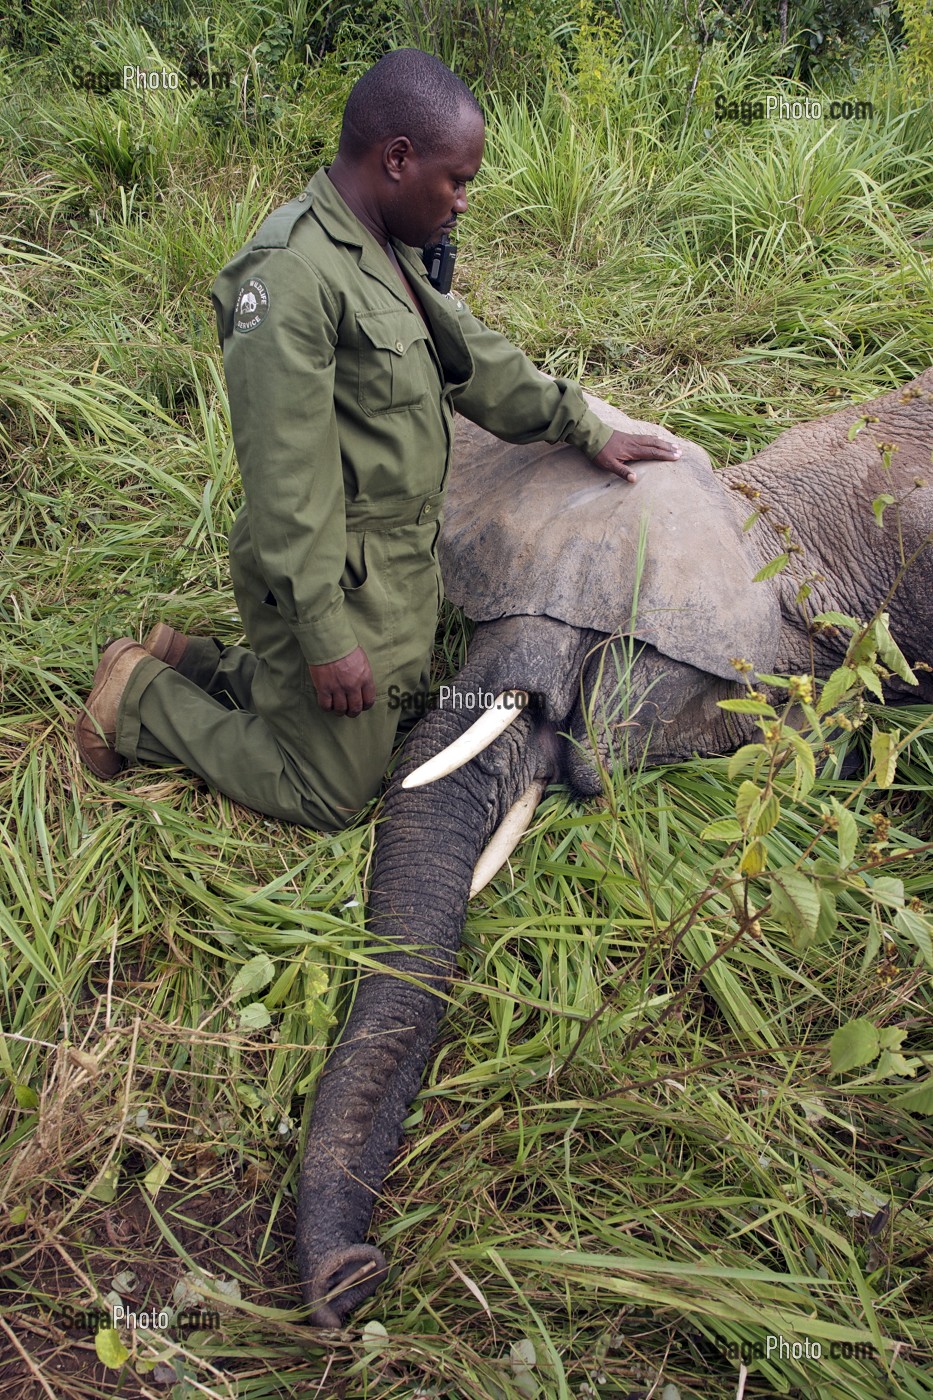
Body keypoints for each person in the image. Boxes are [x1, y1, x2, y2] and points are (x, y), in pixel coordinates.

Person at [75, 48, 680, 830]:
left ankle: (195, 663)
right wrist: (326, 638)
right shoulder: (290, 274)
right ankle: (143, 700)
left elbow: (476, 360)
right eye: (456, 179)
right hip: (329, 570)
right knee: (330, 793)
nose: (463, 200)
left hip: (394, 569)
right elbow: (287, 482)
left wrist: (584, 425)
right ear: (397, 159)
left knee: (390, 718)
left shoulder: (384, 250)